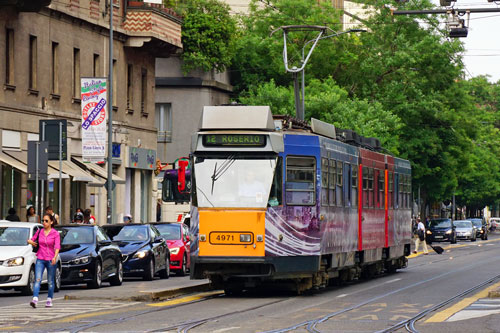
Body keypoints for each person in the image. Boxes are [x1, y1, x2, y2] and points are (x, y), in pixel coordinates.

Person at [27, 213, 60, 308]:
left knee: (50, 281)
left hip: (51, 259)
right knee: (37, 279)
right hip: (40, 258)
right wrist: (30, 242)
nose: (44, 223)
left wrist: (55, 257)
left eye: (46, 221)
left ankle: (49, 299)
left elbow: (57, 246)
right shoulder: (40, 231)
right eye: (43, 221)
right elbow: (31, 240)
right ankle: (35, 299)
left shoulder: (55, 233)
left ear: (51, 222)